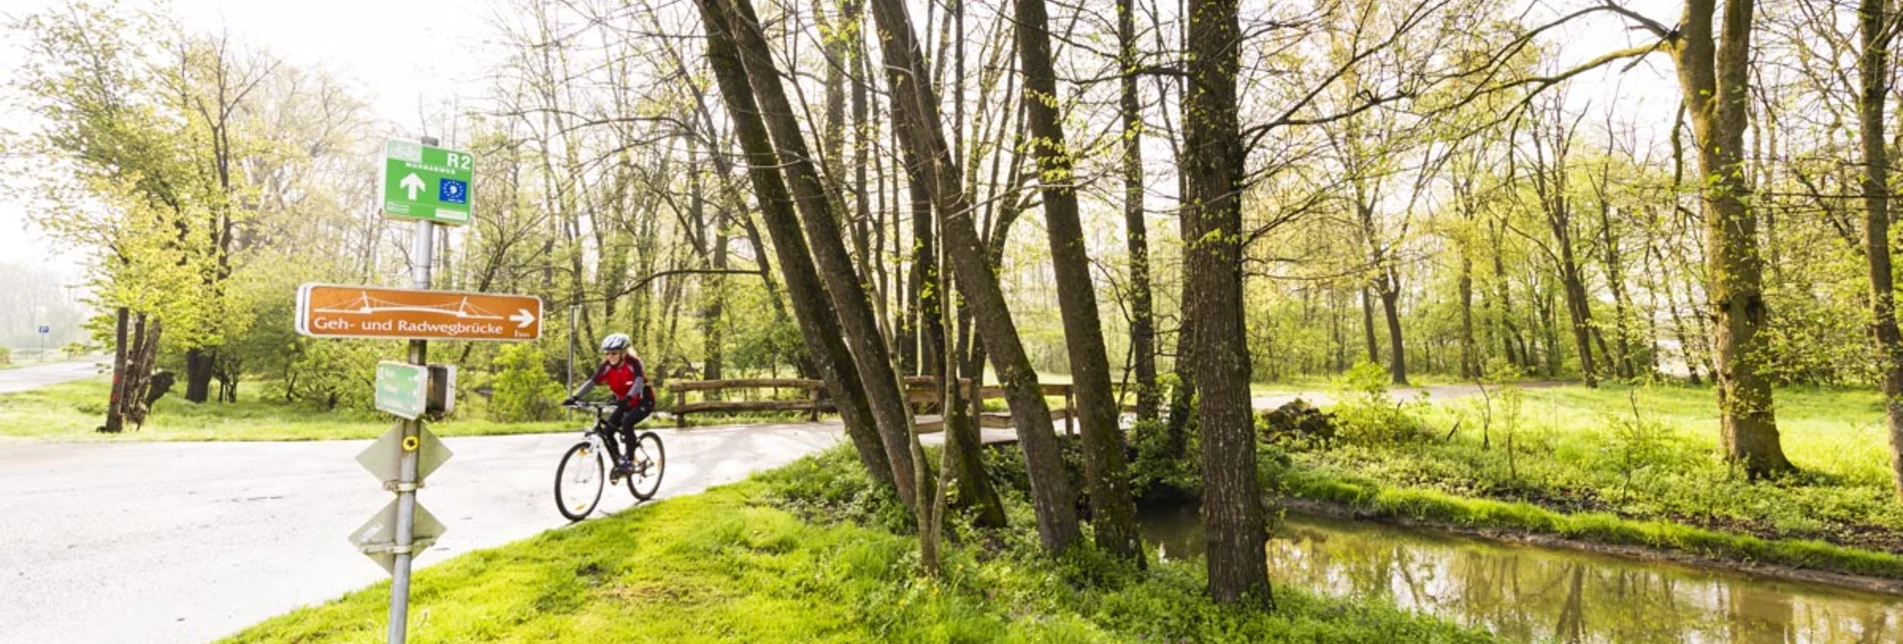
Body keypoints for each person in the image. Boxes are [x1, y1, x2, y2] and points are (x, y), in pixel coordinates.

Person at [563, 333, 653, 477]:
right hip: (624, 403)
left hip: (643, 401)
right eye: (607, 353)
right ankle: (619, 461)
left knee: (627, 423)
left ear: (623, 352)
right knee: (608, 432)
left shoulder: (633, 363)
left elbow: (638, 381)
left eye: (614, 353)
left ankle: (629, 461)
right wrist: (574, 397)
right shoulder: (607, 366)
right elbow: (592, 381)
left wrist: (629, 396)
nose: (610, 356)